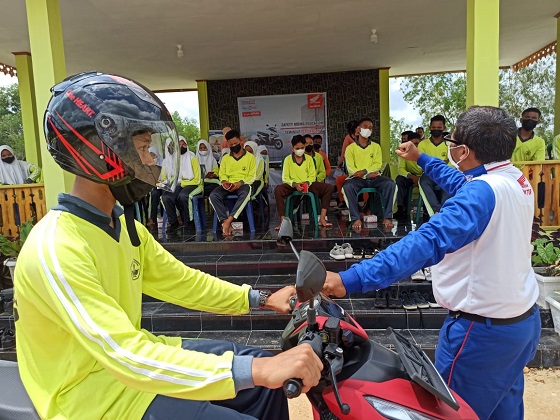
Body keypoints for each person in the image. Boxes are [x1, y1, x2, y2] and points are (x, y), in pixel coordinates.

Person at [15, 72, 322, 420]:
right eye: (144, 149)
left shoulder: (124, 226)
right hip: (94, 400)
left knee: (264, 380)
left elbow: (183, 281)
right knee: (257, 374)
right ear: (96, 152)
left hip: (134, 375)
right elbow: (122, 352)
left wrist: (259, 299)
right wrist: (254, 372)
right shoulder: (56, 249)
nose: (151, 161)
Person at [323, 106, 541, 420]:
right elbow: (460, 181)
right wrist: (421, 158)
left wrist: (350, 279)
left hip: (479, 334)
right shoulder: (511, 178)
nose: (449, 146)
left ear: (464, 150)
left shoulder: (480, 195)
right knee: (502, 412)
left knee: (450, 413)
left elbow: (424, 244)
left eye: (453, 140)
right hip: (521, 323)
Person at [342, 117, 396, 230]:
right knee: (347, 186)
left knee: (390, 184)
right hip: (357, 179)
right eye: (365, 127)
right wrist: (366, 174)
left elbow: (377, 164)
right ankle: (355, 218)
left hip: (374, 178)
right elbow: (351, 169)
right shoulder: (350, 148)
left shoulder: (376, 147)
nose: (368, 129)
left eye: (370, 128)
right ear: (358, 129)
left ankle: (388, 217)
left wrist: (365, 172)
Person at [274, 135, 333, 230]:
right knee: (278, 190)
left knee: (329, 188)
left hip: (308, 184)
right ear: (292, 148)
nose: (300, 150)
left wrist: (307, 183)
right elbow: (285, 178)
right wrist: (295, 184)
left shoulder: (309, 159)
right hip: (293, 185)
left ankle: (322, 218)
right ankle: (282, 221)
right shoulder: (288, 160)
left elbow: (312, 176)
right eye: (297, 148)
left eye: (302, 148)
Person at [209, 129, 256, 236]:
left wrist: (239, 184)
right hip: (228, 185)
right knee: (213, 195)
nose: (234, 146)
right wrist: (225, 182)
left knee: (246, 193)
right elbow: (222, 174)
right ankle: (224, 221)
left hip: (242, 184)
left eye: (235, 143)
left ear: (240, 141)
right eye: (231, 145)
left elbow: (251, 176)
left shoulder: (250, 158)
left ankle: (228, 221)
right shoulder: (225, 158)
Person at [161, 136, 203, 233]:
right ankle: (173, 222)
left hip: (193, 184)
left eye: (183, 143)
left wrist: (182, 183)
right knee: (166, 197)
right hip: (179, 184)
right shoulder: (174, 160)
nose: (181, 146)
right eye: (179, 144)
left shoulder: (193, 159)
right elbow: (172, 176)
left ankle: (189, 222)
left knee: (183, 196)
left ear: (186, 144)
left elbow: (197, 180)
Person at [417, 115, 450, 214]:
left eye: (439, 128)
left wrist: (431, 163)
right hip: (429, 174)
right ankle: (437, 210)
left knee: (450, 182)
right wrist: (441, 163)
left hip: (445, 173)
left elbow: (454, 162)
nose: (436, 130)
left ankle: (444, 210)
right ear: (429, 128)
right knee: (423, 182)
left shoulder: (449, 144)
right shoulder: (423, 144)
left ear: (444, 128)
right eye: (434, 128)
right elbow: (419, 163)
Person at [394, 132, 422, 221]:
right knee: (399, 179)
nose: (415, 146)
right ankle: (401, 209)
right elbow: (401, 169)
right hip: (411, 176)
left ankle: (427, 211)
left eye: (417, 144)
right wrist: (412, 177)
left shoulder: (425, 151)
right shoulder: (404, 152)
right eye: (412, 144)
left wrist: (420, 178)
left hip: (424, 176)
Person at [335, 120, 359, 205]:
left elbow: (343, 153)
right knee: (339, 180)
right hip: (351, 170)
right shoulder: (348, 138)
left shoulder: (362, 138)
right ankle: (343, 201)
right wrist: (340, 164)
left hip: (361, 171)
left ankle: (365, 203)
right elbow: (343, 153)